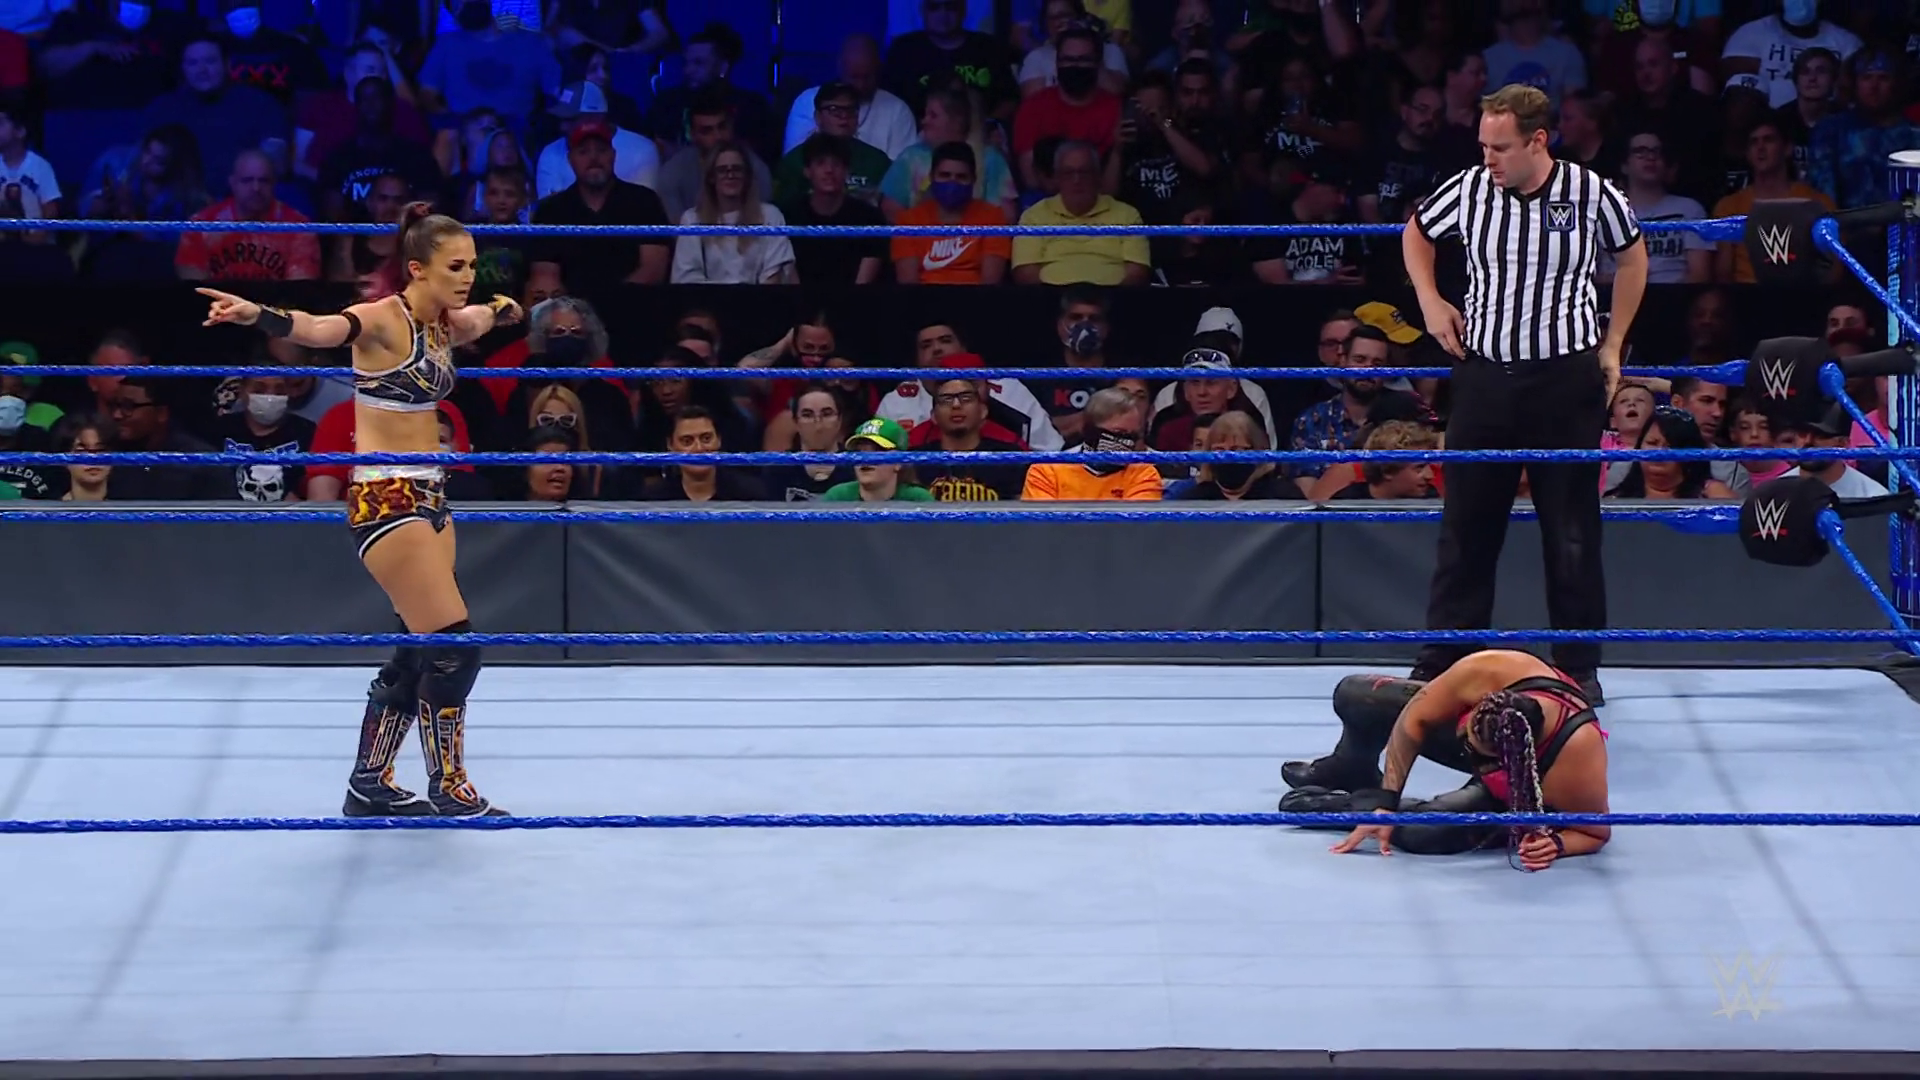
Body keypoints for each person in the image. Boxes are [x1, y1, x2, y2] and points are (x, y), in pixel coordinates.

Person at [197, 202, 524, 818]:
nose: (467, 278)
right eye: (455, 267)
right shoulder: (380, 319)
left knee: (416, 648)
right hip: (387, 499)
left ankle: (368, 784)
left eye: (472, 266)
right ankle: (448, 785)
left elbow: (485, 315)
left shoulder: (445, 324)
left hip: (431, 496)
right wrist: (256, 313)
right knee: (455, 648)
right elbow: (318, 329)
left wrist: (507, 307)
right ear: (417, 269)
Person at [1403, 83, 1648, 705]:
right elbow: (1416, 232)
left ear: (1539, 141)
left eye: (1500, 147)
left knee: (1571, 529)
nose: (1487, 158)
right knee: (1466, 526)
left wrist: (1614, 343)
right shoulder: (1469, 189)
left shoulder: (1590, 192)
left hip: (1564, 379)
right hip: (1484, 376)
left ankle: (1578, 668)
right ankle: (1442, 662)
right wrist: (1431, 302)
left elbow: (1633, 258)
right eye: (1483, 145)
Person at [1276, 649, 1610, 871]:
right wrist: (1386, 800)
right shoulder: (1492, 670)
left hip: (1517, 785)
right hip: (1497, 739)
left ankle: (1344, 807)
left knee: (1428, 833)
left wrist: (1556, 844)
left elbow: (1595, 831)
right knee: (1356, 694)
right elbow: (1414, 718)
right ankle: (1352, 766)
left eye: (1477, 753)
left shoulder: (1573, 758)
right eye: (1467, 733)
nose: (1466, 747)